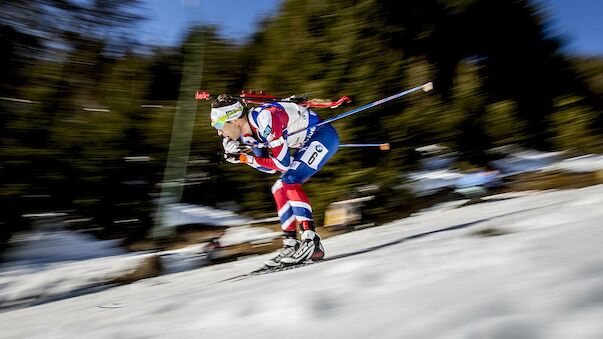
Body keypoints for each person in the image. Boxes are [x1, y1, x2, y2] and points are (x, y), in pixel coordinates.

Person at [209, 94, 339, 267]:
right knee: (279, 188)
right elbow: (270, 168)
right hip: (306, 141)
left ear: (234, 120)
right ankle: (291, 244)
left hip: (323, 135)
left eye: (218, 125)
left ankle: (310, 239)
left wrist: (245, 159)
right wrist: (242, 157)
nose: (219, 132)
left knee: (290, 180)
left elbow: (283, 164)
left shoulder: (265, 118)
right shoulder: (247, 135)